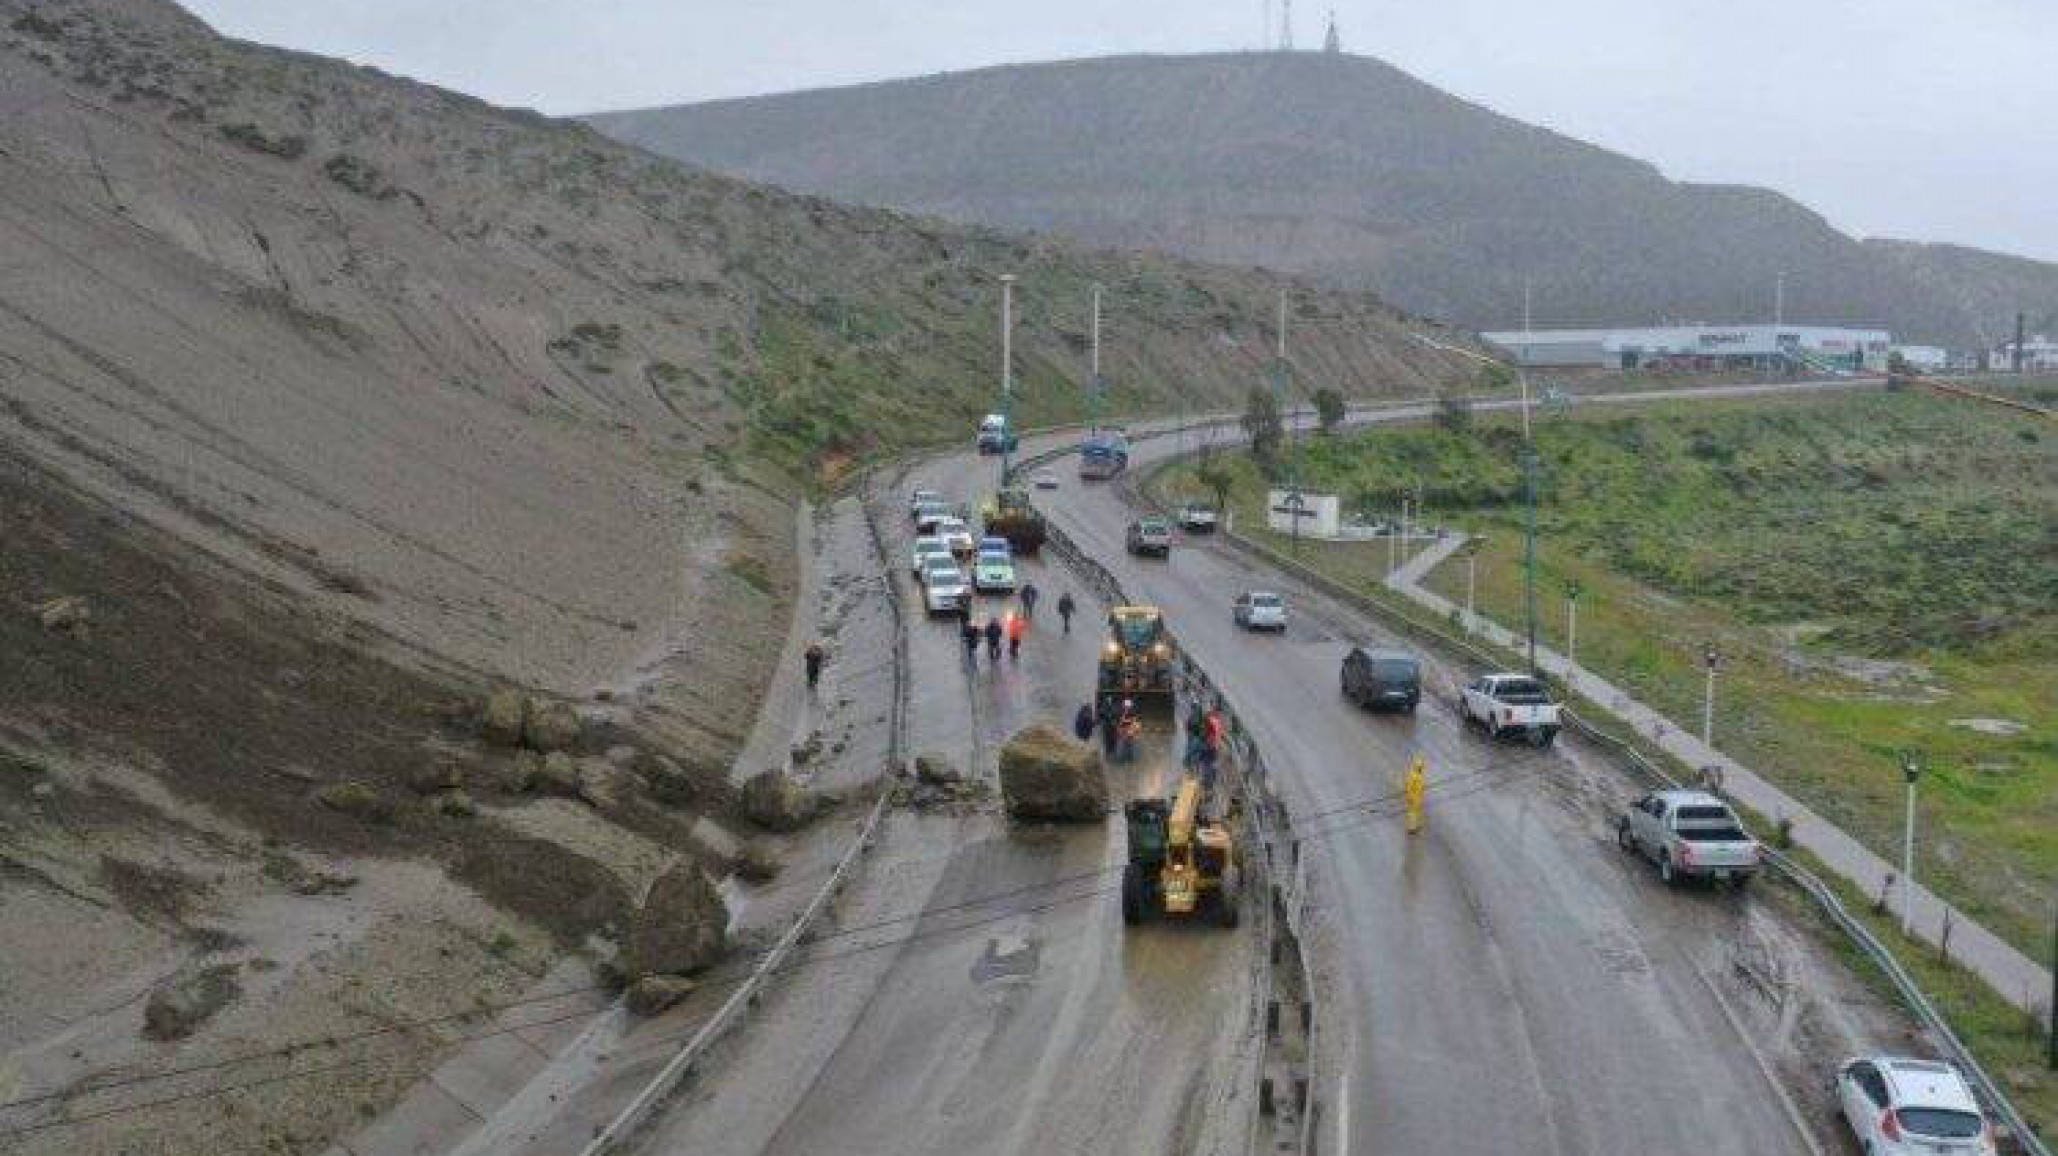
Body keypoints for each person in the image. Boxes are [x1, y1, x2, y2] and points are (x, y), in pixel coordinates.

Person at [1403, 754, 1428, 834]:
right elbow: (1408, 787)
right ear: (1417, 767)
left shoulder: (1419, 775)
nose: (1421, 769)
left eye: (1421, 767)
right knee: (1412, 813)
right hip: (1413, 797)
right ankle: (1411, 828)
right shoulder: (1413, 776)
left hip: (1418, 797)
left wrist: (1422, 790)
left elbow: (1421, 785)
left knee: (1417, 812)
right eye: (1420, 767)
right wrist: (1410, 797)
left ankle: (1415, 826)